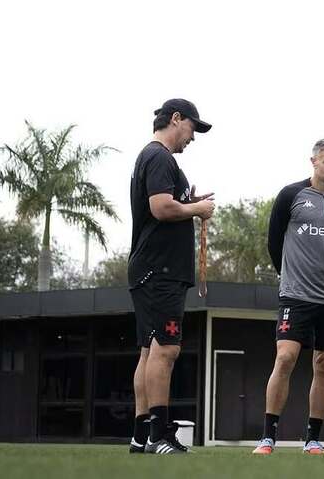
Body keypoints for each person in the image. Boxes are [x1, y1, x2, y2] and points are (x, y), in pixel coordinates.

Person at [253, 139, 324, 455]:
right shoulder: (290, 195)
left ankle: (313, 438)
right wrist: (289, 276)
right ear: (313, 161)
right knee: (285, 358)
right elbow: (274, 243)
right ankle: (268, 437)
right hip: (296, 295)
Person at [128, 98, 215, 455]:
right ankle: (159, 435)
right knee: (166, 350)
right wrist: (196, 209)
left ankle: (139, 435)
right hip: (160, 270)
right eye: (192, 128)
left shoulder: (153, 158)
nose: (192, 138)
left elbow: (166, 202)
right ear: (176, 119)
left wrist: (187, 199)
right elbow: (161, 208)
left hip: (152, 268)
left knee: (150, 352)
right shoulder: (160, 156)